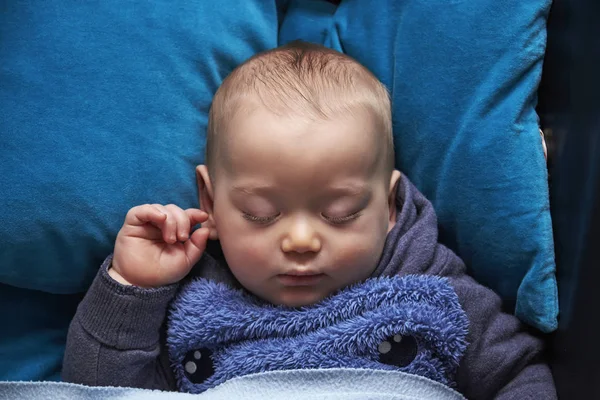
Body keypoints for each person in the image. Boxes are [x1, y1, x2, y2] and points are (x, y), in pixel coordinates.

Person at [62, 42, 556, 399]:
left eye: (340, 214)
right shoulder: (185, 302)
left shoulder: (430, 284)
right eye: (261, 213)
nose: (300, 239)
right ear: (209, 201)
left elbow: (517, 375)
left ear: (387, 207)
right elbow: (98, 391)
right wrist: (131, 287)